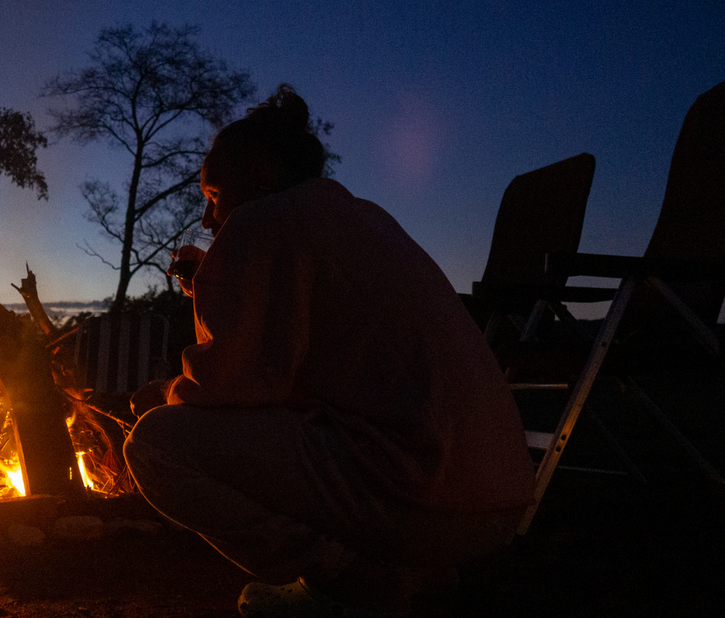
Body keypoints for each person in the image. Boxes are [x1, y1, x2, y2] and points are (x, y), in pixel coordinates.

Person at [123, 85, 536, 617]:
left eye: (214, 196)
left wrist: (165, 391)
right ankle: (417, 572)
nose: (208, 221)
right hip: (496, 502)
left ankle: (349, 581)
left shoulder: (262, 220)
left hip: (417, 495)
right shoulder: (359, 218)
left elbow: (234, 387)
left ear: (263, 177)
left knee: (156, 443)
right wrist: (221, 279)